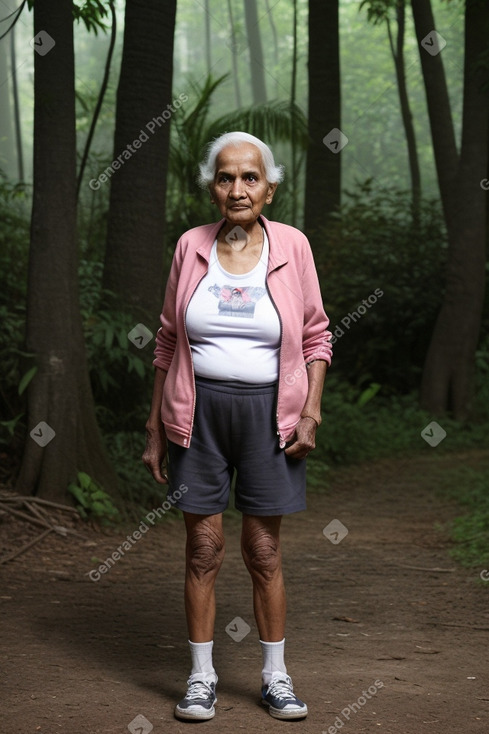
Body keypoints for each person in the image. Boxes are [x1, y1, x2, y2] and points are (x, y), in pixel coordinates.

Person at [142, 131, 332, 722]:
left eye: (250, 178)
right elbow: (169, 340)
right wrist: (154, 427)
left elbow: (318, 336)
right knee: (203, 549)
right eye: (226, 178)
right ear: (212, 187)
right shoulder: (190, 246)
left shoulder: (292, 247)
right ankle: (201, 678)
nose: (237, 188)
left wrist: (310, 410)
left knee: (263, 549)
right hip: (196, 413)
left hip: (269, 415)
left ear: (269, 189)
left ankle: (275, 676)